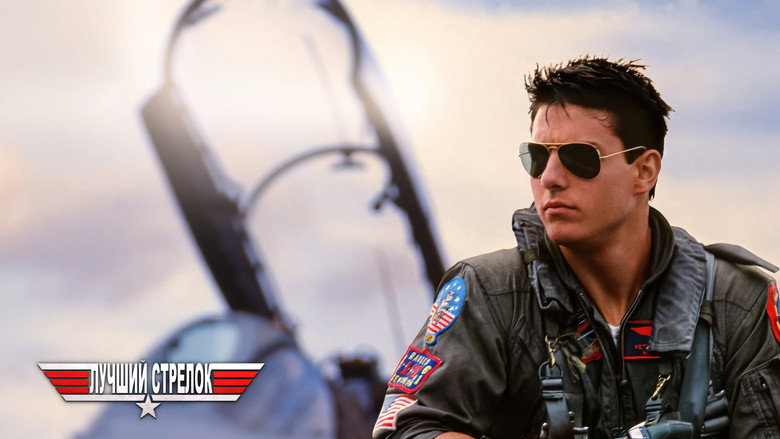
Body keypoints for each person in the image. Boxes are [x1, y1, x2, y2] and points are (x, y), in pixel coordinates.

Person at [372, 57, 780, 439]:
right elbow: (411, 426)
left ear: (644, 170)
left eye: (579, 157)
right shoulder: (491, 294)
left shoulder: (736, 302)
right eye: (536, 157)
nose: (550, 177)